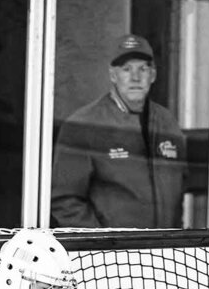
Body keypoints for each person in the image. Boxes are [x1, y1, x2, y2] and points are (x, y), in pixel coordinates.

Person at [51, 34, 186, 228]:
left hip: (164, 251)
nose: (135, 77)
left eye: (143, 68)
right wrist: (103, 244)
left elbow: (179, 192)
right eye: (126, 69)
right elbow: (65, 200)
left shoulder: (168, 122)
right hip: (113, 253)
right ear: (113, 75)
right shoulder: (84, 125)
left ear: (153, 75)